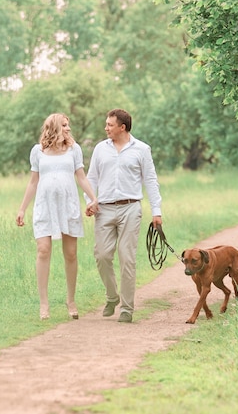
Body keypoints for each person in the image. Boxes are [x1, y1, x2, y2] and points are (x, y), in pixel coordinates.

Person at [16, 113, 98, 321]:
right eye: (64, 125)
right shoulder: (38, 151)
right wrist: (22, 209)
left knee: (70, 254)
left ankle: (70, 300)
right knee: (43, 250)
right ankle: (44, 303)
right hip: (45, 207)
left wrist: (93, 199)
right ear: (53, 127)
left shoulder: (74, 150)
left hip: (67, 206)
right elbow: (33, 182)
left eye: (68, 125)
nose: (68, 129)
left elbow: (81, 177)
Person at [85, 108, 163, 323]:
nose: (106, 128)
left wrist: (156, 211)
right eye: (106, 124)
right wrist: (90, 201)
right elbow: (91, 178)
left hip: (130, 207)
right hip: (104, 208)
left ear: (123, 127)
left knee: (127, 258)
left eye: (110, 125)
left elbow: (150, 180)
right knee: (102, 256)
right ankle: (112, 296)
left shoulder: (142, 149)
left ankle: (127, 308)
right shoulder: (101, 149)